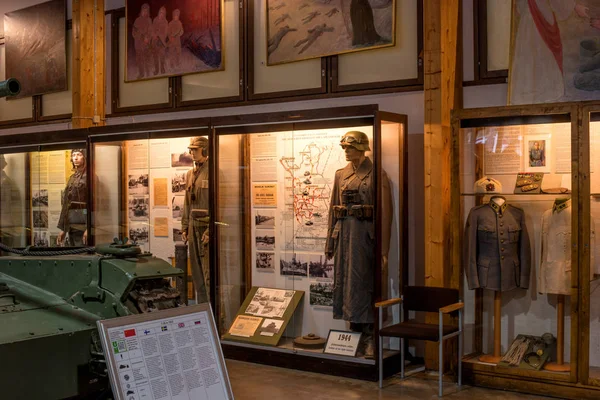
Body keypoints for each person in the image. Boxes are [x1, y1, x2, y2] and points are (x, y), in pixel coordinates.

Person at [325, 131, 392, 358]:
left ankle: (371, 337)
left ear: (362, 147)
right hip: (344, 236)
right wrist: (329, 243)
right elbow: (333, 208)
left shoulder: (376, 174)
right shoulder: (340, 175)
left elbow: (385, 215)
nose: (346, 151)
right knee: (345, 285)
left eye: (350, 147)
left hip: (365, 238)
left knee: (365, 285)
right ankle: (354, 337)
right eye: (343, 147)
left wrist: (383, 250)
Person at [510, 0, 589, 104]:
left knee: (532, 54)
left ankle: (529, 91)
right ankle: (541, 92)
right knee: (539, 53)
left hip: (529, 19)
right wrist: (574, 6)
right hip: (538, 19)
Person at [181, 137, 210, 303]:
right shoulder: (189, 175)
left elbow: (220, 205)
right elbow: (186, 203)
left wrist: (210, 230)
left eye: (195, 150)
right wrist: (184, 227)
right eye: (191, 150)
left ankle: (214, 314)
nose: (192, 153)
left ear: (205, 151)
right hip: (192, 229)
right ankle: (202, 312)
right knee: (197, 275)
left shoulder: (213, 173)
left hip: (205, 229)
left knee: (208, 274)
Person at [57, 149, 88, 246]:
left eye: (79, 154)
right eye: (73, 155)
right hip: (71, 225)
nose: (75, 157)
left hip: (83, 225)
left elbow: (94, 204)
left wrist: (89, 228)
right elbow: (66, 204)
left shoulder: (89, 177)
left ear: (84, 157)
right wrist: (63, 229)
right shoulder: (71, 178)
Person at [132, 3, 153, 79]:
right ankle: (141, 74)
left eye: (146, 10)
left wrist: (147, 38)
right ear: (141, 11)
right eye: (143, 10)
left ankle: (148, 74)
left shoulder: (149, 20)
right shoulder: (137, 20)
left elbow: (151, 31)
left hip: (146, 44)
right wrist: (139, 36)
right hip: (138, 45)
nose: (144, 12)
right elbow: (133, 33)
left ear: (148, 11)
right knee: (139, 60)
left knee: (147, 59)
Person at [152, 6, 168, 75]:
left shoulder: (165, 21)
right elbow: (152, 29)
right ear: (159, 12)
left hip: (162, 41)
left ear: (164, 14)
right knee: (155, 56)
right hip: (155, 41)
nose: (161, 14)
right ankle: (156, 70)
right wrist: (154, 35)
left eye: (163, 13)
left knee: (162, 56)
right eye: (160, 12)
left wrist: (162, 36)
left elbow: (166, 32)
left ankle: (162, 68)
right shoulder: (155, 20)